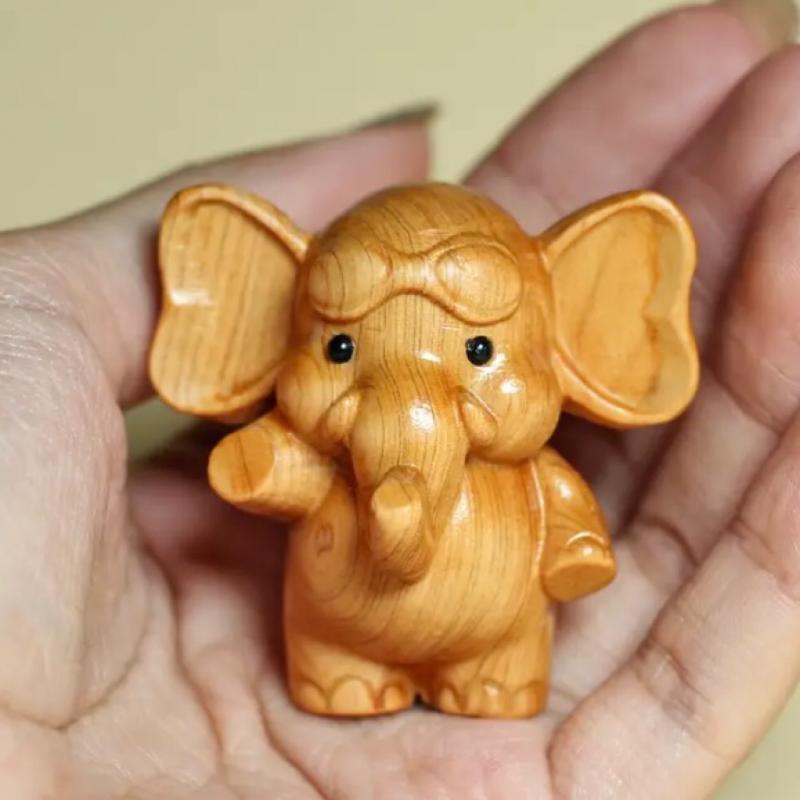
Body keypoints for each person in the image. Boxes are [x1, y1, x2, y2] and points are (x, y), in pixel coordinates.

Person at [1, 0, 799, 797]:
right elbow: (278, 474)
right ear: (262, 323)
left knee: (499, 658)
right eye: (342, 349)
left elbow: (557, 501)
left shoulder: (524, 470)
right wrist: (259, 465)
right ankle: (342, 668)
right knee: (339, 656)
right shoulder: (329, 460)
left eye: (479, 352)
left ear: (578, 343)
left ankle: (487, 670)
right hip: (336, 632)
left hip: (497, 634)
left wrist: (573, 544)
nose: (407, 398)